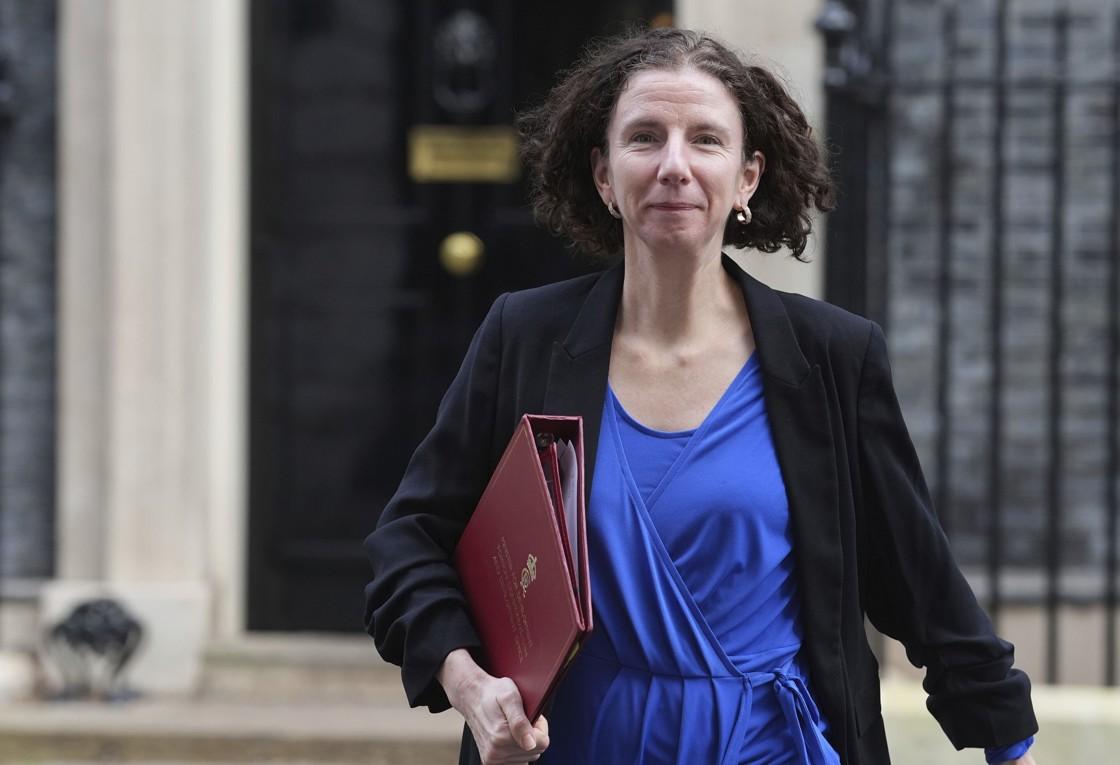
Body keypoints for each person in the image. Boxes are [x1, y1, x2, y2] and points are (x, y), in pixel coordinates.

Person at [363, 27, 1039, 765]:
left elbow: (920, 579)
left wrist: (1007, 742)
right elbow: (410, 542)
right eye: (645, 137)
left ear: (748, 177)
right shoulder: (522, 337)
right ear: (603, 174)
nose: (674, 166)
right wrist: (468, 682)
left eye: (706, 140)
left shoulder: (831, 358)